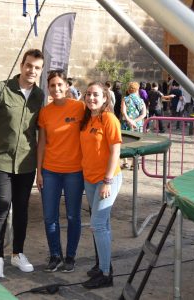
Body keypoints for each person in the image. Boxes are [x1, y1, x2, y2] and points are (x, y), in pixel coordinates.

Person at [0, 49, 45, 278]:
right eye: (29, 65)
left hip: (26, 163)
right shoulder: (2, 88)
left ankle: (17, 253)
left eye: (37, 67)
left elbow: (41, 131)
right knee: (2, 206)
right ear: (22, 65)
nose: (32, 70)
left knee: (21, 209)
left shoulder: (40, 95)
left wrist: (41, 168)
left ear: (40, 71)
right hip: (1, 160)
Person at [36, 70, 84, 273]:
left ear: (66, 86)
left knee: (73, 215)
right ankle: (55, 255)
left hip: (74, 171)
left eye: (59, 85)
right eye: (52, 85)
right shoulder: (45, 112)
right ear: (49, 88)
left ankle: (70, 256)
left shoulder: (80, 108)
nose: (56, 89)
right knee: (49, 217)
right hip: (50, 171)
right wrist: (39, 171)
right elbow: (42, 144)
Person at [80, 81, 122, 289]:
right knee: (102, 225)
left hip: (107, 180)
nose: (91, 98)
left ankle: (106, 274)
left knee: (97, 224)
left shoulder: (109, 119)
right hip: (90, 179)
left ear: (105, 98)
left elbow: (115, 151)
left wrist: (107, 181)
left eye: (96, 95)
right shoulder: (87, 120)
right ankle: (103, 265)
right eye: (88, 94)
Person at [121, 82, 146, 169]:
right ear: (137, 90)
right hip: (137, 124)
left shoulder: (125, 99)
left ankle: (125, 163)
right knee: (136, 144)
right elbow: (143, 114)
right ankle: (134, 164)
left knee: (125, 143)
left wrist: (129, 120)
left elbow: (123, 112)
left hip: (126, 123)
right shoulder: (141, 100)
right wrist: (134, 121)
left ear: (129, 89)